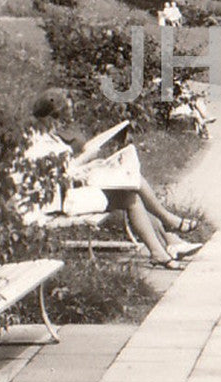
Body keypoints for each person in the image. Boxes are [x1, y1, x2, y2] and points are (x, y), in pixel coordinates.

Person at [28, 89, 203, 266]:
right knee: (129, 195)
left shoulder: (48, 137)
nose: (64, 124)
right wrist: (87, 158)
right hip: (59, 202)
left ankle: (166, 241)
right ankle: (166, 234)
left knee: (131, 184)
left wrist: (91, 165)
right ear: (50, 116)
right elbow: (58, 176)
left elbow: (63, 170)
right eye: (62, 118)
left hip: (66, 194)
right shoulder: (38, 141)